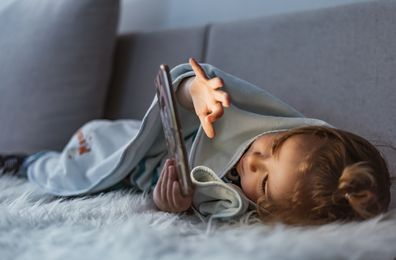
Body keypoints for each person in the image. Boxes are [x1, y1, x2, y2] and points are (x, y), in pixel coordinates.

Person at [0, 59, 391, 225]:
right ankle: (26, 160)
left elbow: (197, 209)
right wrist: (195, 93)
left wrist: (167, 204)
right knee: (74, 163)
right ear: (295, 126)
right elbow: (183, 94)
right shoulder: (248, 113)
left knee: (71, 173)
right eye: (273, 147)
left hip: (143, 177)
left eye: (267, 182)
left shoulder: (240, 209)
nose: (254, 161)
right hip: (132, 146)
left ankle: (27, 162)